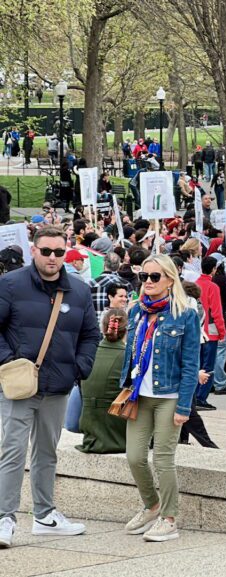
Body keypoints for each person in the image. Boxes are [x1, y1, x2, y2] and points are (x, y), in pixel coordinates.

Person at [0, 226, 101, 548]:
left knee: (47, 452)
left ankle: (44, 515)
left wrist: (79, 368)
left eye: (59, 252)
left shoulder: (80, 291)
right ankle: (5, 518)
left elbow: (91, 335)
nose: (53, 258)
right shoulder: (10, 284)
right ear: (34, 251)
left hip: (58, 386)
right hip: (19, 386)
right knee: (12, 452)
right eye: (46, 251)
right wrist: (8, 362)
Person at [120, 254, 201, 543]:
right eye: (145, 277)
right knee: (135, 456)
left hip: (169, 395)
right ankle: (152, 505)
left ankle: (169, 519)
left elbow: (191, 363)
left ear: (170, 280)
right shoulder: (136, 312)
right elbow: (130, 353)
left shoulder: (186, 314)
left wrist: (184, 406)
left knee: (164, 459)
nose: (149, 282)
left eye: (155, 277)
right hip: (139, 395)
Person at [76, 308, 129, 454]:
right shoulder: (127, 355)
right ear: (127, 330)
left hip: (90, 429)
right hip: (115, 433)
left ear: (103, 327)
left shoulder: (89, 351)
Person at [194, 257, 226, 404]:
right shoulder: (212, 287)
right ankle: (201, 398)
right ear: (213, 269)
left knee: (196, 365)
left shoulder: (195, 284)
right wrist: (222, 332)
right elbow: (216, 312)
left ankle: (194, 396)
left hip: (195, 332)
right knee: (208, 367)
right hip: (209, 333)